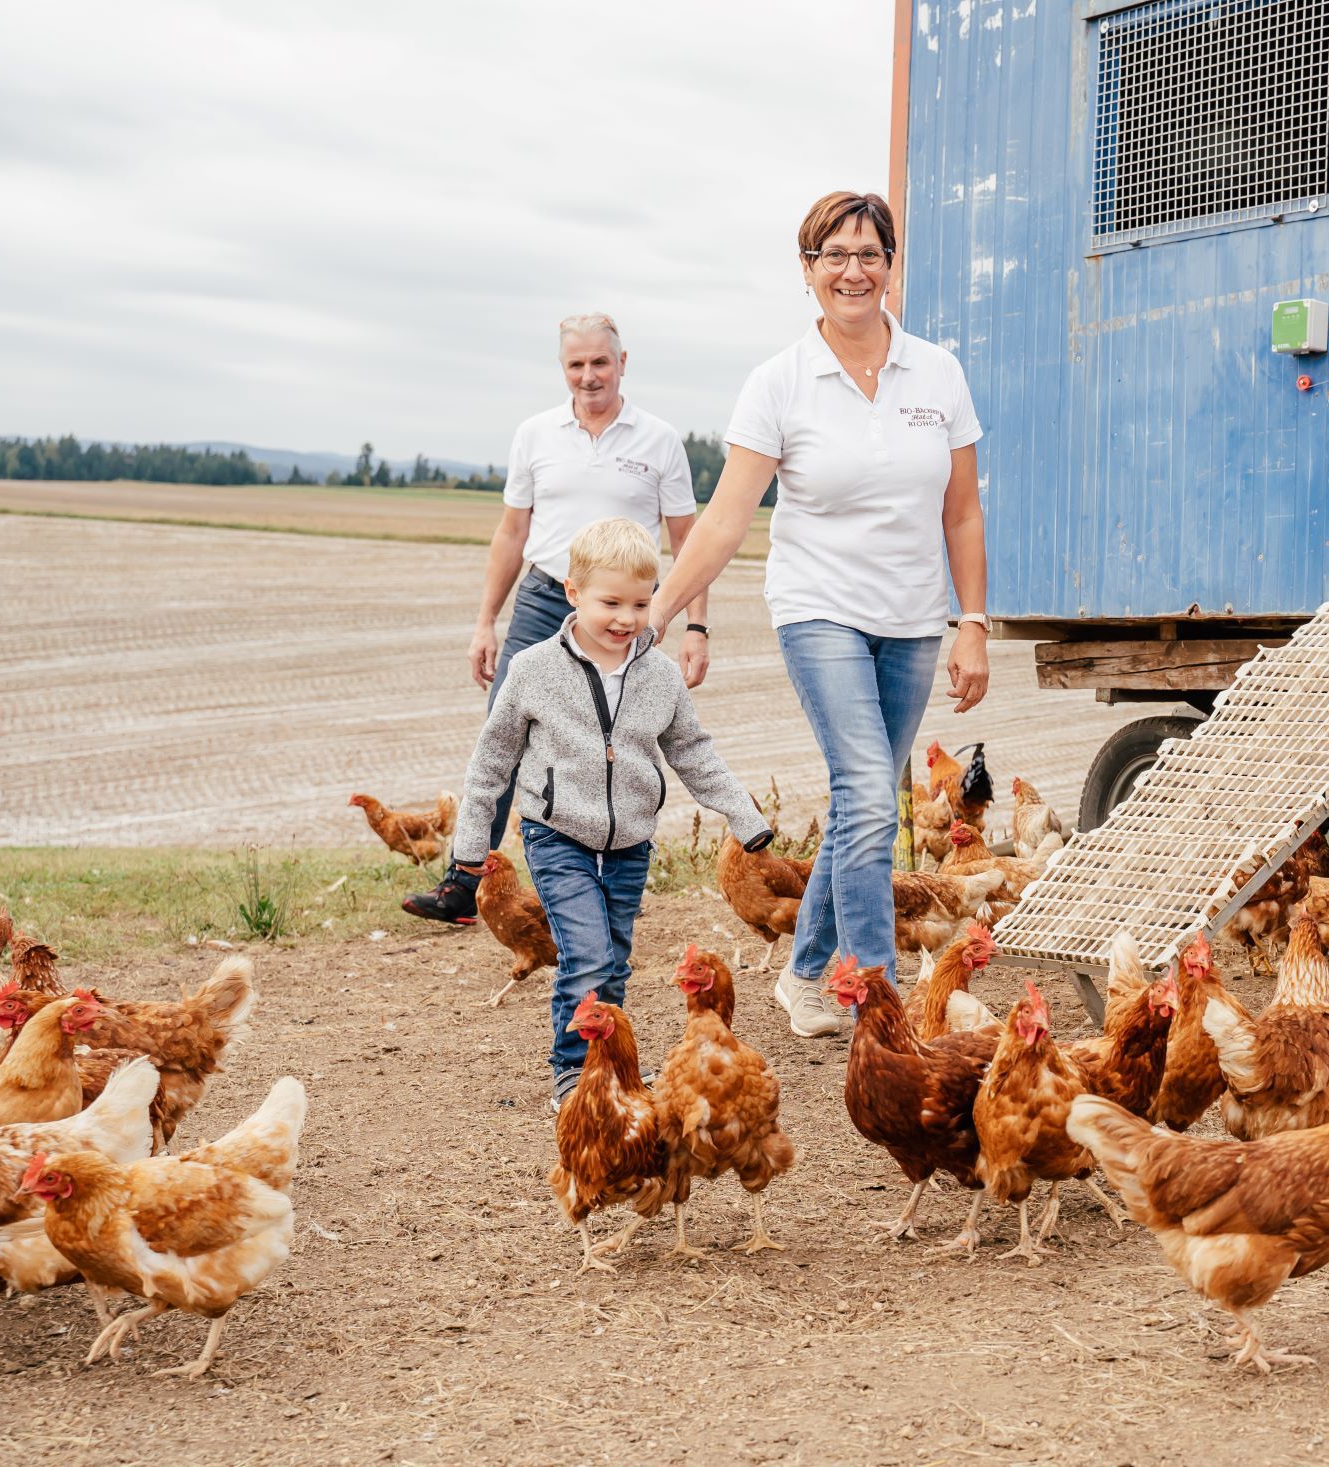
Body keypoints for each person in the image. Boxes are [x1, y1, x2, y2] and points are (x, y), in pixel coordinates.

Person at [645, 189, 991, 1039]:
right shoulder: (780, 383)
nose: (853, 270)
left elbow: (962, 511)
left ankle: (802, 972)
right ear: (808, 271)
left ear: (890, 265)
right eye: (834, 255)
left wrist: (972, 619)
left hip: (912, 618)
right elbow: (727, 516)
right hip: (818, 610)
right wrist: (658, 610)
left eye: (869, 253)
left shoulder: (937, 372)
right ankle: (873, 996)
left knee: (861, 803)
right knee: (873, 793)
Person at [448, 517, 771, 1110]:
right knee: (588, 954)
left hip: (630, 843)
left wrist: (742, 816)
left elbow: (693, 753)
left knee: (615, 960)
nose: (626, 618)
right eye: (611, 602)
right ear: (573, 593)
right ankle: (573, 1071)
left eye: (641, 604)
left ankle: (610, 1062)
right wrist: (470, 843)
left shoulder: (659, 676)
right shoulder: (534, 670)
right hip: (557, 836)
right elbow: (491, 762)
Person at [406, 312, 710, 925]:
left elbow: (689, 540)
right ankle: (467, 882)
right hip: (545, 596)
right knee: (501, 733)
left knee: (616, 740)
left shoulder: (658, 441)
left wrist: (695, 627)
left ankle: (608, 877)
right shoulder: (535, 434)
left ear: (623, 363)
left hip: (623, 613)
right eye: (577, 364)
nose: (590, 375)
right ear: (563, 369)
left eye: (601, 362)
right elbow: (512, 531)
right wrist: (484, 621)